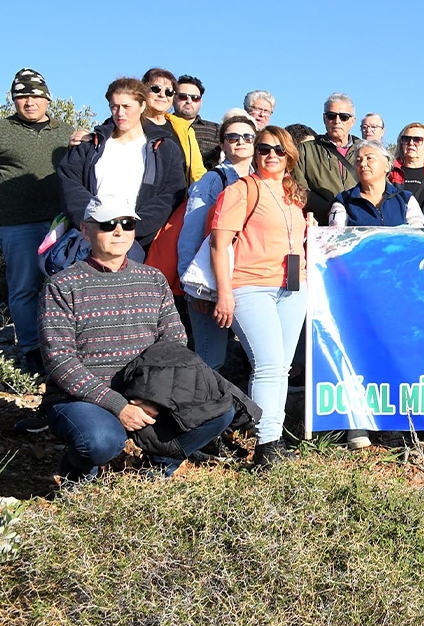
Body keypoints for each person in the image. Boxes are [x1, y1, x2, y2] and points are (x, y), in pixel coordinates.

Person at [39, 196, 235, 482]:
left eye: (127, 224)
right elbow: (60, 362)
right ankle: (78, 472)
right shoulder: (62, 285)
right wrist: (117, 405)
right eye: (107, 225)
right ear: (85, 230)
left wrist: (151, 396)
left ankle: (159, 464)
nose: (118, 231)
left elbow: (174, 343)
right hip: (84, 398)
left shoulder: (153, 279)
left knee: (221, 408)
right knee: (101, 440)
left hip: (146, 392)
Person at [208, 125, 309, 467]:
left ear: (290, 156)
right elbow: (219, 244)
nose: (271, 155)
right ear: (254, 152)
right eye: (264, 148)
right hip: (251, 286)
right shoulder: (241, 190)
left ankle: (274, 439)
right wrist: (224, 293)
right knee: (266, 366)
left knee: (281, 367)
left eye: (279, 150)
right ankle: (266, 446)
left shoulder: (292, 194)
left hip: (293, 288)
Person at [57, 77, 186, 252]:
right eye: (114, 107)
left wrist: (131, 228)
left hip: (139, 243)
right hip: (91, 239)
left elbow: (170, 194)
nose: (120, 113)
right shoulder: (90, 144)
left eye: (127, 107)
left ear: (142, 106)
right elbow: (70, 184)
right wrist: (94, 222)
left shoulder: (165, 149)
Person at [0, 68, 72, 376]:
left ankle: (67, 347)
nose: (29, 102)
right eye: (22, 97)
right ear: (14, 101)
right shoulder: (2, 130)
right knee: (24, 287)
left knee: (66, 285)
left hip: (61, 221)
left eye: (35, 96)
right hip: (17, 222)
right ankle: (31, 349)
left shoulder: (67, 131)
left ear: (47, 98)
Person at [177, 115, 258, 371]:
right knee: (210, 360)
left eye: (247, 137)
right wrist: (193, 288)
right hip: (209, 281)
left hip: (248, 278)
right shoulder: (213, 180)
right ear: (222, 144)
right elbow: (191, 231)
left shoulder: (263, 180)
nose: (240, 142)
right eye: (232, 137)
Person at [294, 92, 359, 222]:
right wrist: (330, 210)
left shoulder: (366, 150)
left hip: (360, 224)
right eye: (331, 116)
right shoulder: (305, 150)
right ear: (324, 119)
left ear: (353, 121)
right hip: (321, 224)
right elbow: (298, 188)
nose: (337, 121)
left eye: (344, 117)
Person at [329, 140, 424, 228]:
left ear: (387, 166)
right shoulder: (343, 201)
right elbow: (336, 240)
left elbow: (419, 237)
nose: (363, 164)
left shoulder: (405, 200)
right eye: (358, 160)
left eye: (369, 158)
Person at [140, 68, 205, 185]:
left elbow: (197, 172)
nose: (162, 95)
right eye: (156, 89)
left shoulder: (183, 129)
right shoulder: (131, 124)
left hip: (179, 201)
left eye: (169, 92)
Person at [173, 75, 219, 171]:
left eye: (195, 98)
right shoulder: (163, 126)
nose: (189, 101)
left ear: (200, 101)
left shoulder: (216, 130)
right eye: (183, 97)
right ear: (173, 98)